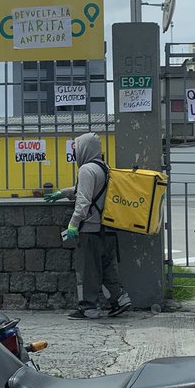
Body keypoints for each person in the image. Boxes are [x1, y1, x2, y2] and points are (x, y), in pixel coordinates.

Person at [44, 132, 132, 320]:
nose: (75, 154)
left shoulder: (86, 170)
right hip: (108, 227)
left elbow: (83, 201)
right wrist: (63, 192)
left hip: (91, 229)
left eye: (76, 148)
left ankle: (88, 308)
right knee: (107, 268)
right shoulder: (104, 168)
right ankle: (119, 299)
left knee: (89, 270)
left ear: (84, 148)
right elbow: (89, 191)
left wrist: (73, 224)